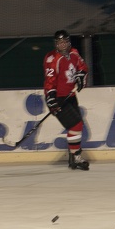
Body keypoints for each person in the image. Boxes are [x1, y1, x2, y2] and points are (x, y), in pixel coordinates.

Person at [43, 30, 90, 170]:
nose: (62, 45)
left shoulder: (74, 53)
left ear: (69, 42)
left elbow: (83, 67)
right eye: (59, 42)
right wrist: (51, 98)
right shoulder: (51, 59)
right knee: (76, 125)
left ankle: (73, 158)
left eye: (64, 42)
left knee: (77, 126)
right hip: (57, 98)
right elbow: (49, 82)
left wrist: (81, 76)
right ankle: (76, 156)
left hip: (71, 96)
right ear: (56, 44)